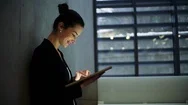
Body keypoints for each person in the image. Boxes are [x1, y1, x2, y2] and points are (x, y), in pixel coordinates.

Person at [29, 3, 100, 105]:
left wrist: (76, 79)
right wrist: (80, 85)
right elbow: (48, 95)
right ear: (61, 26)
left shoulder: (58, 54)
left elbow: (58, 85)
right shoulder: (43, 53)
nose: (74, 41)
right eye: (73, 35)